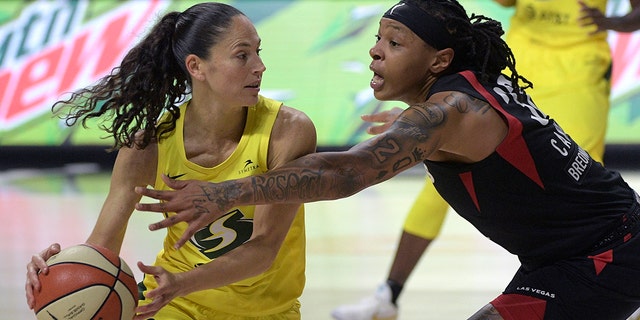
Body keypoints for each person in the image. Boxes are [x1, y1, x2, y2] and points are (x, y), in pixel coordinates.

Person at [134, 0, 640, 319]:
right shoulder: (454, 101)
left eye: (395, 44)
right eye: (378, 39)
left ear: (439, 62)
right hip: (575, 252)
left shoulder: (449, 111)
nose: (376, 53)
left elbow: (344, 173)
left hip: (607, 254)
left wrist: (224, 192)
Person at [331, 0, 640, 318]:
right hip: (529, 53)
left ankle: (608, 283)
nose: (377, 50)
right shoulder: (454, 101)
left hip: (579, 67)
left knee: (574, 174)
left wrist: (612, 23)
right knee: (440, 174)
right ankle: (388, 293)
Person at [24, 2, 317, 319]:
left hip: (266, 310)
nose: (260, 66)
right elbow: (103, 248)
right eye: (242, 55)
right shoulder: (149, 145)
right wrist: (60, 273)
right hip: (174, 305)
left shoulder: (288, 131)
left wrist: (181, 282)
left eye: (259, 52)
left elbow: (264, 249)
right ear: (196, 67)